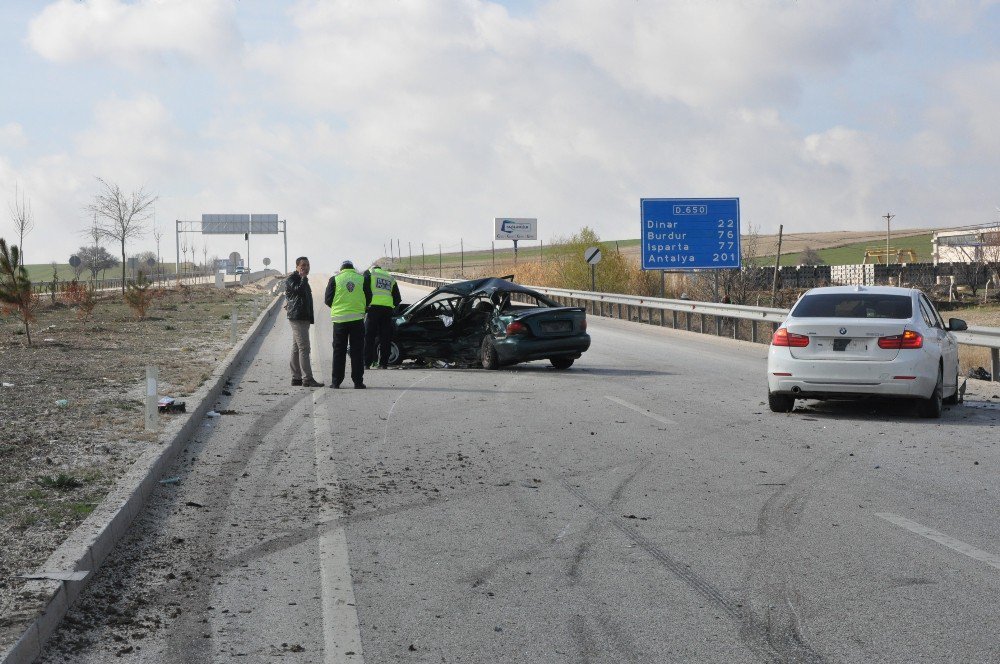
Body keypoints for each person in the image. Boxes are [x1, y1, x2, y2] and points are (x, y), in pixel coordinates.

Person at [324, 260, 367, 389]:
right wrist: (360, 308)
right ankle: (358, 382)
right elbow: (368, 297)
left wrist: (338, 307)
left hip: (339, 320)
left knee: (339, 351)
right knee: (357, 352)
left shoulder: (335, 279)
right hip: (357, 320)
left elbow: (328, 299)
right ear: (353, 268)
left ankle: (336, 382)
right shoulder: (362, 279)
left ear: (341, 269)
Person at [285, 257, 323, 387]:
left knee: (296, 348)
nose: (306, 268)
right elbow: (297, 290)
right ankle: (307, 378)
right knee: (304, 348)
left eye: (307, 265)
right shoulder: (293, 279)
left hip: (302, 317)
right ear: (297, 266)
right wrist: (303, 278)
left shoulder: (302, 279)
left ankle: (296, 378)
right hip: (298, 317)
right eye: (303, 265)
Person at [363, 264, 402, 369]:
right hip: (387, 311)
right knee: (385, 337)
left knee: (369, 337)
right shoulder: (390, 277)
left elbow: (364, 291)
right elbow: (397, 299)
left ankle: (367, 363)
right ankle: (383, 364)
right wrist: (391, 307)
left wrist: (365, 306)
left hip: (373, 309)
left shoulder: (369, 274)